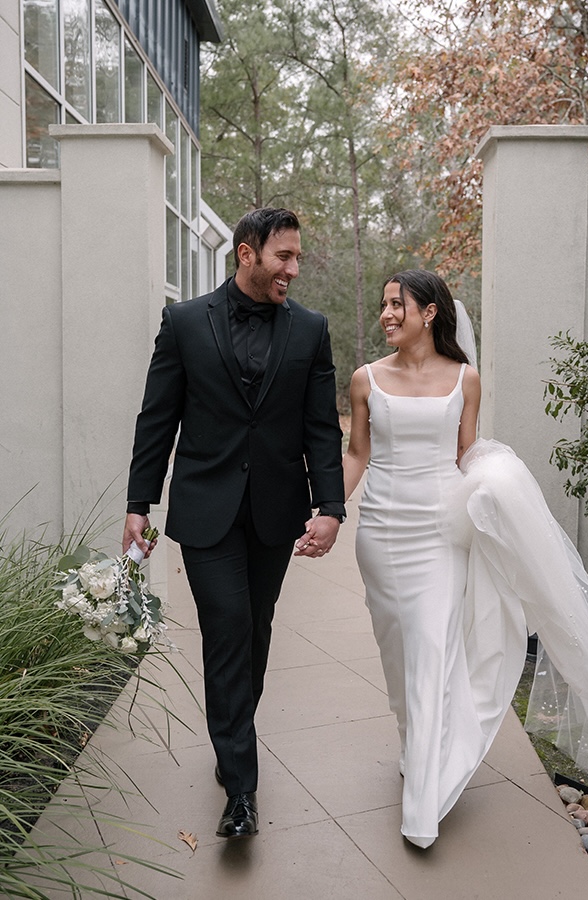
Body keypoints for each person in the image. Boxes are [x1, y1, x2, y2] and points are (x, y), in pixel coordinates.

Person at [340, 269, 588, 849]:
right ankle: (415, 747)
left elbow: (466, 454)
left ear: (429, 313)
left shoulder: (464, 380)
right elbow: (358, 453)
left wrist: (497, 491)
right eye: (382, 305)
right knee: (398, 653)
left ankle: (422, 807)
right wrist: (326, 510)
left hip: (438, 535)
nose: (386, 315)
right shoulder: (365, 380)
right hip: (379, 533)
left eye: (396, 305)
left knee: (431, 649)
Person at [123, 207, 345, 840]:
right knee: (226, 631)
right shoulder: (186, 322)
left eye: (298, 257)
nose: (293, 270)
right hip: (206, 512)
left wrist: (330, 508)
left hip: (276, 513)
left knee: (254, 633)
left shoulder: (311, 329)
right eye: (284, 257)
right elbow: (156, 419)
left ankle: (231, 740)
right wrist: (140, 503)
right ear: (246, 254)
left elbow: (319, 426)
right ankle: (241, 792)